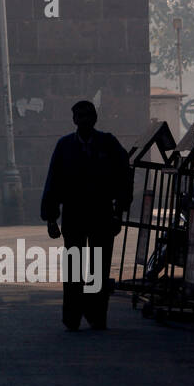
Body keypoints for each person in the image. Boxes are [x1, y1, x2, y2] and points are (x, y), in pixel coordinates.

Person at [40, 100, 133, 331]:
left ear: (94, 118)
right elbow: (54, 182)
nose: (84, 121)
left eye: (87, 116)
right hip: (74, 214)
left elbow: (124, 176)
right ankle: (72, 316)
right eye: (80, 117)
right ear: (74, 120)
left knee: (98, 269)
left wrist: (119, 210)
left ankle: (95, 314)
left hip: (102, 213)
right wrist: (51, 218)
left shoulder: (108, 144)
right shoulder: (65, 146)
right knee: (74, 267)